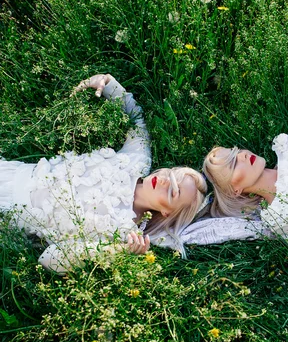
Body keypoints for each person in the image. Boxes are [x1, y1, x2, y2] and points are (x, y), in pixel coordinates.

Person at [0, 74, 207, 273]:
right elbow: (136, 119)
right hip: (12, 174)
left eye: (172, 191)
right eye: (171, 175)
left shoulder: (125, 233)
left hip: (10, 217)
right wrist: (107, 84)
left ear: (167, 213)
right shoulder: (137, 161)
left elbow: (49, 259)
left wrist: (119, 251)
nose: (164, 182)